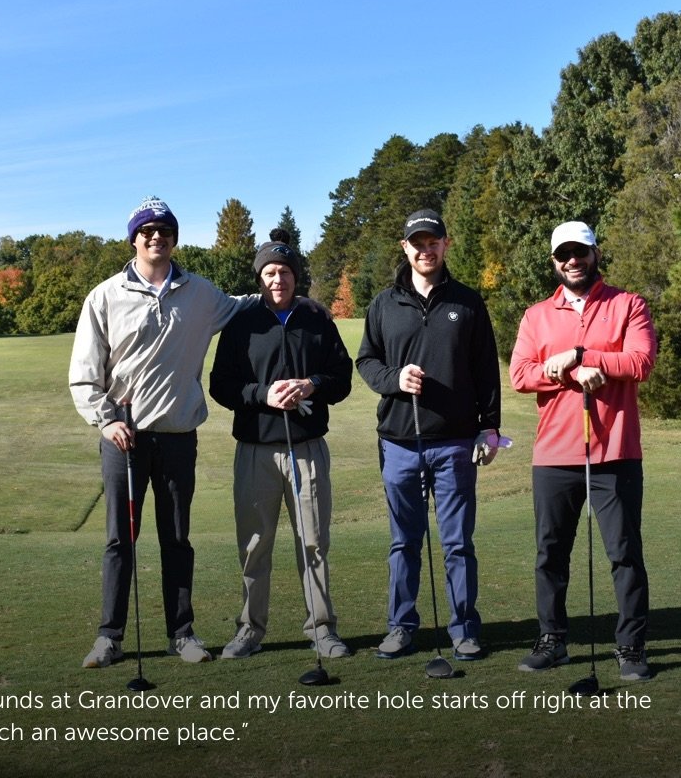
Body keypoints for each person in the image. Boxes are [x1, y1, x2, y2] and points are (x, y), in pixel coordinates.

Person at [70, 196, 252, 667]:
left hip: (177, 435)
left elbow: (243, 307)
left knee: (176, 539)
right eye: (147, 230)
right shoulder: (105, 295)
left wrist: (282, 284)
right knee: (119, 540)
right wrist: (106, 420)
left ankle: (182, 634)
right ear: (133, 238)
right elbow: (85, 373)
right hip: (123, 437)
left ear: (174, 238)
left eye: (164, 230)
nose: (156, 236)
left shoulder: (200, 293)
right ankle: (109, 637)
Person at [509, 220, 657, 681]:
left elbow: (640, 362)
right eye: (563, 254)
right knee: (550, 553)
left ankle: (630, 646)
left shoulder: (627, 304)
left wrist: (581, 356)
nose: (572, 260)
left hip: (614, 451)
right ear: (554, 261)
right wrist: (570, 374)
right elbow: (520, 374)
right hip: (554, 454)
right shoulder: (536, 316)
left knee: (624, 553)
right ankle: (553, 640)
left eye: (581, 251)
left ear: (595, 254)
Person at [355, 209, 501, 661]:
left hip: (455, 441)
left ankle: (463, 628)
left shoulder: (468, 302)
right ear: (405, 248)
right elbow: (367, 362)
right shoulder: (383, 304)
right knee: (404, 541)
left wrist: (490, 426)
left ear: (445, 244)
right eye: (417, 242)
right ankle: (401, 626)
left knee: (457, 542)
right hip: (399, 440)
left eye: (433, 241)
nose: (425, 249)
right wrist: (395, 380)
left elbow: (485, 370)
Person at [208, 234, 353, 660]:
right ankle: (250, 630)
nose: (277, 280)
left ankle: (322, 629)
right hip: (256, 449)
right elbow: (221, 386)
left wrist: (312, 384)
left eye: (285, 272)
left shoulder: (316, 317)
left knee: (314, 542)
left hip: (307, 448)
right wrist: (262, 395)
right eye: (269, 272)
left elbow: (342, 378)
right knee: (255, 544)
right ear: (260, 277)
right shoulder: (242, 322)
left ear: (296, 277)